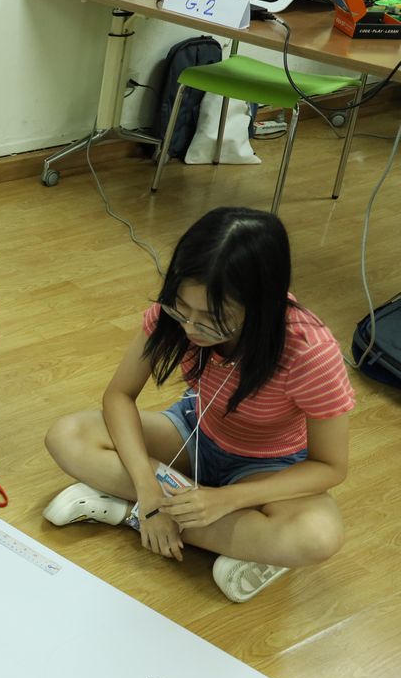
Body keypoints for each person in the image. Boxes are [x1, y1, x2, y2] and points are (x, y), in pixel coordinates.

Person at [42, 207, 353, 602]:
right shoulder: (177, 314)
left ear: (260, 305)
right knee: (68, 435)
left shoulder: (309, 351)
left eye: (211, 319)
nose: (189, 328)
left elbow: (330, 466)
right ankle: (193, 524)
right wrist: (148, 490)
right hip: (193, 431)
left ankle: (126, 508)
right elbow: (118, 395)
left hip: (267, 466)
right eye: (181, 308)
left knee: (316, 536)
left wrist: (226, 499)